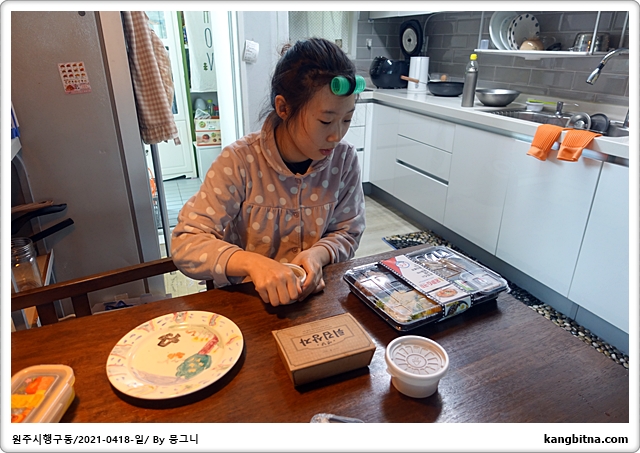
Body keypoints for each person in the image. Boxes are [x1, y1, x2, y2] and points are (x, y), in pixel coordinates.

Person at [171, 38, 366, 307]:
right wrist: (252, 263)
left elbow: (348, 231)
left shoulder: (344, 160)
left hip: (314, 302)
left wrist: (318, 255)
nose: (337, 135)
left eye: (347, 119)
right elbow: (186, 242)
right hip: (249, 305)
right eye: (325, 121)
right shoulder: (239, 162)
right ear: (283, 108)